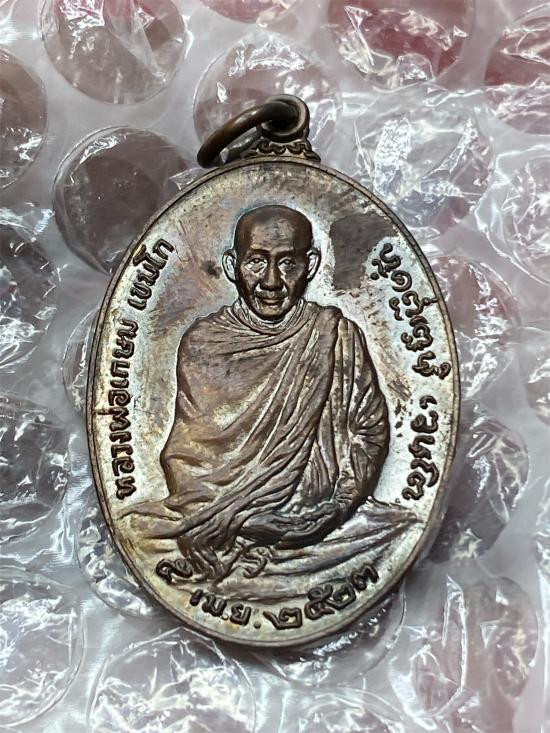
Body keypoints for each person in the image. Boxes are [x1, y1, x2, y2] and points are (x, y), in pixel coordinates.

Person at [160, 204, 390, 578]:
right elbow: (188, 458)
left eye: (287, 263)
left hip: (326, 521)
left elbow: (369, 432)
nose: (271, 281)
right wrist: (244, 521)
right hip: (226, 525)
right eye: (256, 262)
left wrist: (339, 507)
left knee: (399, 530)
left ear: (310, 265)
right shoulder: (204, 344)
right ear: (232, 265)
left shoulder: (335, 335)